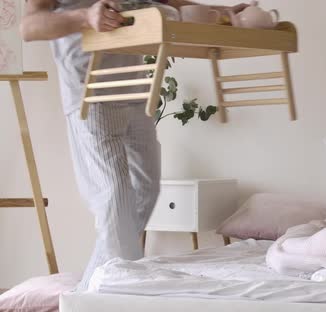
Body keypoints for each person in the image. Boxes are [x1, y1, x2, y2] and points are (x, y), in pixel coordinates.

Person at [21, 0, 246, 290]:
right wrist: (85, 17)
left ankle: (88, 293)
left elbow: (170, 3)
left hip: (135, 89)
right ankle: (120, 295)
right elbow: (29, 27)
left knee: (147, 190)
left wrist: (221, 13)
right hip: (90, 90)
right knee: (114, 198)